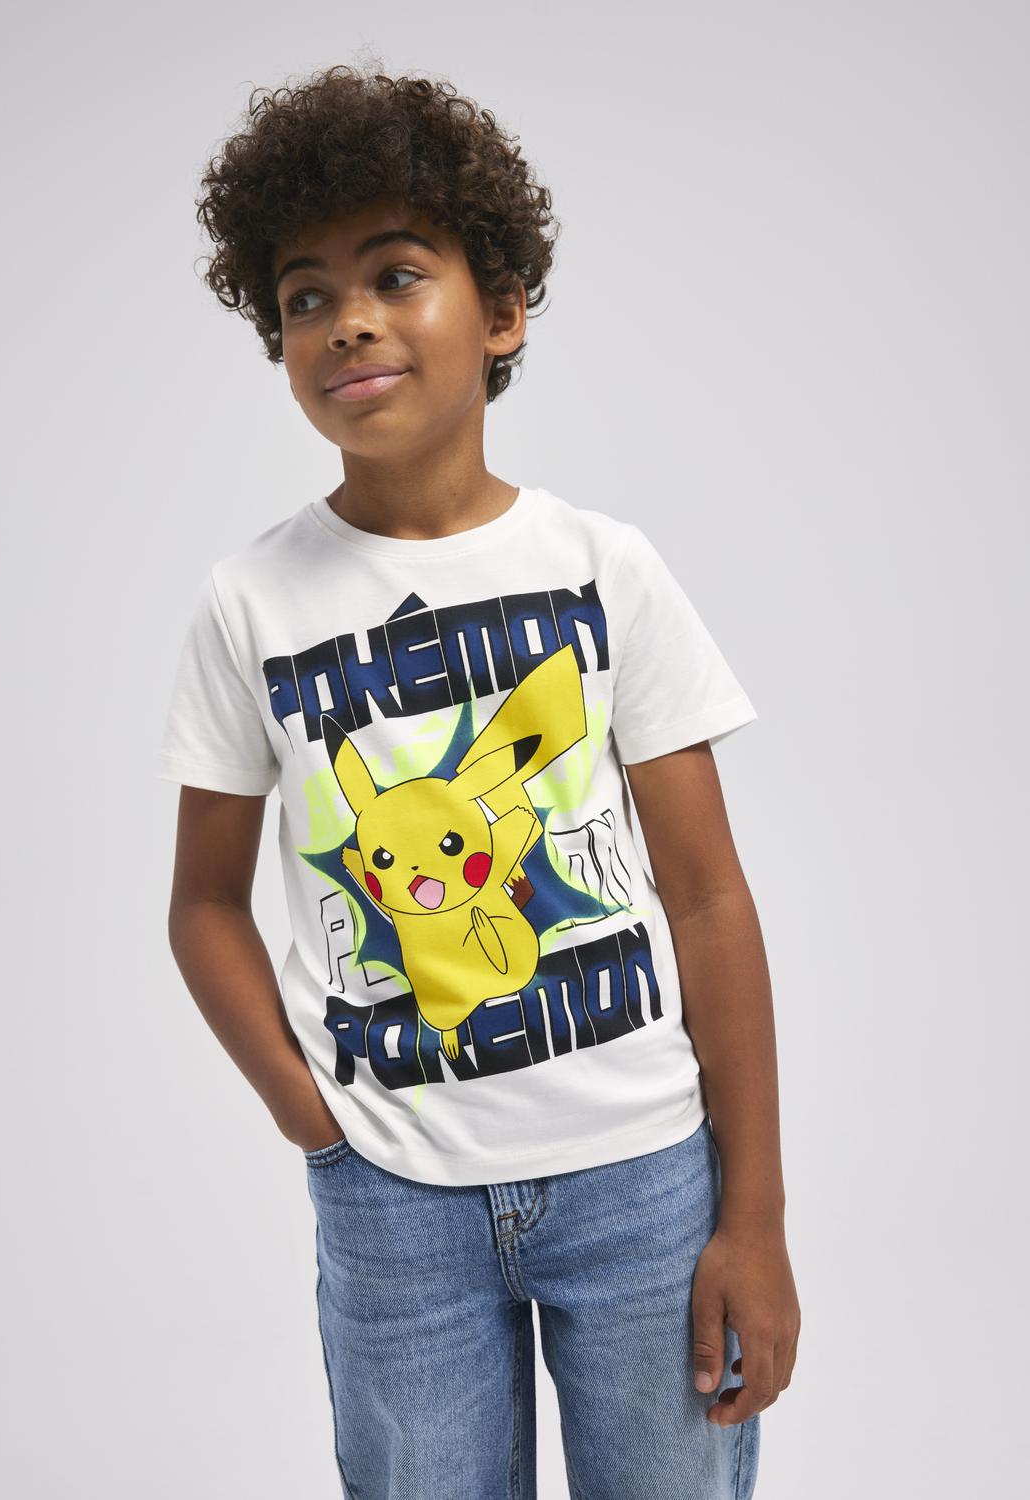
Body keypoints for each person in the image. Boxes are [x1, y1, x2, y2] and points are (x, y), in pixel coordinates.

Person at [158, 62, 799, 1500]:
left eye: (396, 274)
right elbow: (202, 905)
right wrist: (315, 1120)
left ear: (501, 311)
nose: (348, 320)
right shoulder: (249, 604)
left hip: (641, 1178)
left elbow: (708, 897)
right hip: (393, 1204)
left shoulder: (602, 567)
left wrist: (752, 1217)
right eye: (305, 297)